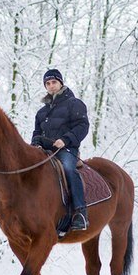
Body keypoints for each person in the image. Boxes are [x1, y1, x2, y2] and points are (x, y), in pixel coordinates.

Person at [32, 69, 90, 232]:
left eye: (54, 82)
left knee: (68, 169)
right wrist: (35, 142)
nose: (51, 86)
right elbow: (37, 132)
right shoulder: (41, 112)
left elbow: (83, 126)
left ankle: (80, 212)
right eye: (48, 83)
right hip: (45, 151)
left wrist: (65, 140)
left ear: (61, 83)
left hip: (67, 150)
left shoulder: (74, 103)